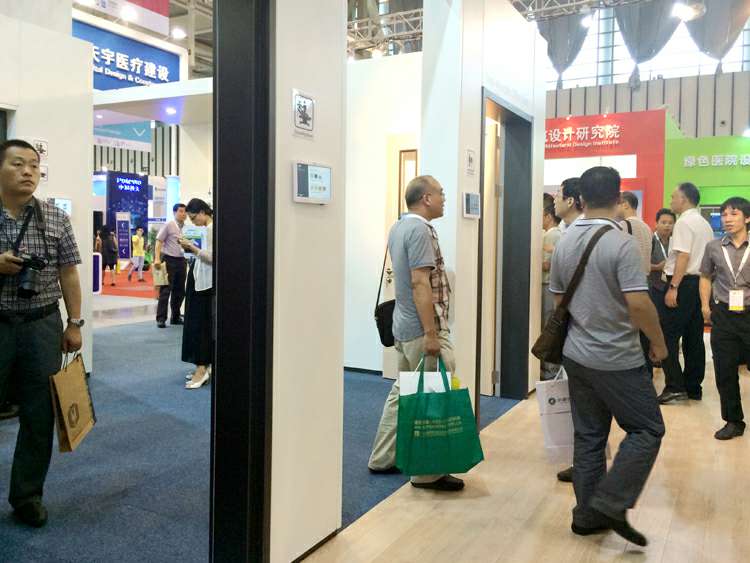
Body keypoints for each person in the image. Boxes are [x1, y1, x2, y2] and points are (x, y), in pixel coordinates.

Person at [549, 166, 667, 546]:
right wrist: (659, 343)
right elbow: (639, 303)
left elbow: (558, 301)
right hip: (618, 357)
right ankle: (612, 501)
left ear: (581, 199)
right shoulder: (621, 243)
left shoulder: (565, 241)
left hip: (576, 354)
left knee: (589, 436)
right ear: (618, 198)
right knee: (647, 429)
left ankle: (586, 516)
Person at [0, 139, 84, 528]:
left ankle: (27, 496)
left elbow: (69, 272)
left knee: (39, 414)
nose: (28, 171)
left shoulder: (55, 217)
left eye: (34, 165)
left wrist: (74, 323)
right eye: (18, 164)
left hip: (42, 325)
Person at [368, 175, 463, 492]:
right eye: (441, 193)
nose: (444, 198)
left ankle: (384, 457)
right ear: (426, 198)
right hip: (422, 328)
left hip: (403, 326)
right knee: (433, 396)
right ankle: (427, 473)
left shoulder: (398, 226)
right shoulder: (421, 230)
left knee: (404, 391)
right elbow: (420, 283)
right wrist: (431, 334)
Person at [657, 182, 714, 404]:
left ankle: (674, 386)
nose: (671, 201)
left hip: (682, 283)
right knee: (694, 337)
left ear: (684, 199)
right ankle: (693, 387)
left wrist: (673, 287)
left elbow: (683, 256)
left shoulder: (683, 222)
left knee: (668, 335)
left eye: (673, 197)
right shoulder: (704, 223)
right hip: (700, 283)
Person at [699, 197, 750, 440]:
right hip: (724, 315)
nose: (727, 219)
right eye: (724, 214)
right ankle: (733, 421)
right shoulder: (713, 247)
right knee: (725, 370)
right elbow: (705, 276)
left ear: (747, 218)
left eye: (734, 214)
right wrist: (704, 306)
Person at [618, 192, 654, 375]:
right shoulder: (646, 227)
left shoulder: (623, 225)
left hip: (628, 285)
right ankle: (646, 373)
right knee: (643, 333)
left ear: (625, 204)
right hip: (645, 283)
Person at [180, 199, 214, 389]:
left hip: (205, 285)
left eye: (194, 218)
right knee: (196, 325)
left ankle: (202, 368)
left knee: (200, 326)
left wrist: (192, 247)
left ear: (202, 212)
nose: (193, 222)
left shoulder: (211, 229)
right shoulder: (205, 229)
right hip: (199, 280)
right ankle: (203, 366)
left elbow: (213, 257)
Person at [154, 203, 187, 329]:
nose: (183, 214)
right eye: (180, 211)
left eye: (184, 212)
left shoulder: (187, 228)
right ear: (174, 212)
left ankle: (175, 317)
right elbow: (159, 241)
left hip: (182, 261)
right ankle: (161, 319)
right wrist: (157, 258)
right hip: (169, 260)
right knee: (165, 290)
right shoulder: (169, 225)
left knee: (180, 291)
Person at [541, 204, 562, 380]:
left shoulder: (551, 235)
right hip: (551, 286)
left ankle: (549, 371)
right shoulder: (558, 233)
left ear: (548, 216)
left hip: (546, 285)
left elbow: (546, 265)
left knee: (547, 327)